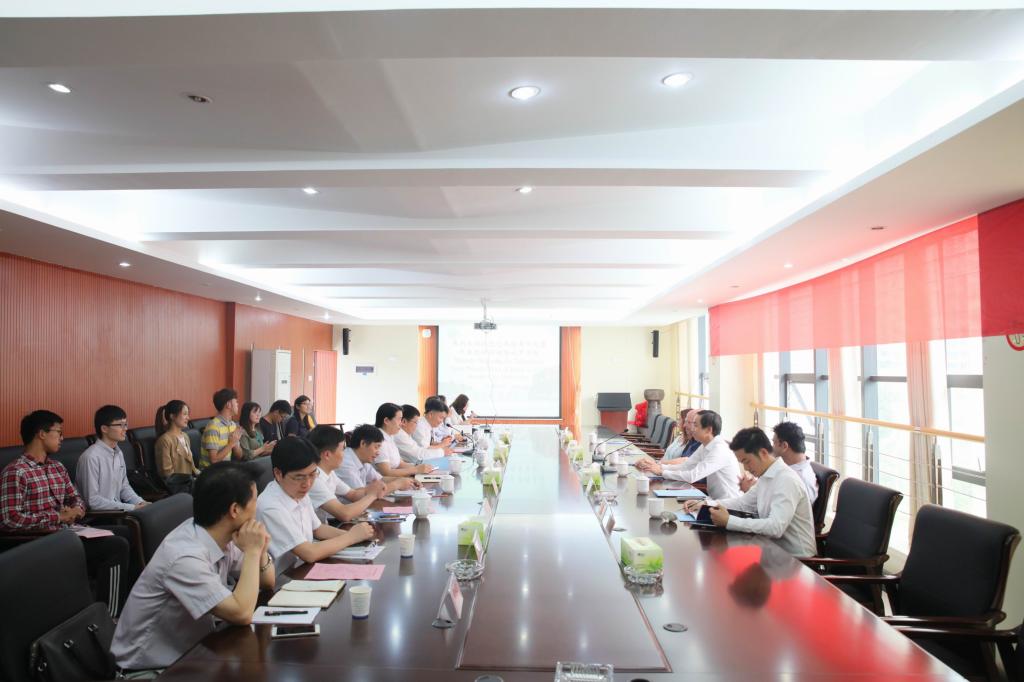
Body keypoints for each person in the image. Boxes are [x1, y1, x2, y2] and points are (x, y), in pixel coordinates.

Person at [110, 462, 275, 674]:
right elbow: (242, 613)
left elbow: (267, 582)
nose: (257, 507)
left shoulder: (220, 533)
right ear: (235, 510)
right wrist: (253, 551)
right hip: (150, 671)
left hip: (195, 653)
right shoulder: (185, 556)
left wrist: (260, 550)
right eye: (255, 500)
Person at [0, 410, 131, 616]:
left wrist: (77, 510)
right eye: (58, 432)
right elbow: (9, 520)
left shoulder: (57, 467)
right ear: (41, 434)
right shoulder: (16, 472)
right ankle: (110, 614)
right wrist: (57, 517)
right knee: (116, 546)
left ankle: (127, 602)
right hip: (41, 541)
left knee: (128, 533)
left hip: (69, 532)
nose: (62, 438)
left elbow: (75, 498)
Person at [683, 427, 816, 557]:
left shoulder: (787, 479)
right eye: (742, 463)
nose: (746, 468)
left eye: (747, 461)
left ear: (763, 453)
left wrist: (729, 521)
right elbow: (742, 503)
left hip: (796, 559)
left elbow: (775, 528)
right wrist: (706, 504)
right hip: (771, 551)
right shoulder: (766, 475)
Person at [256, 437, 376, 573]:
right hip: (282, 578)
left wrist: (358, 537)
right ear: (278, 473)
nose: (307, 483)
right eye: (299, 477)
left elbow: (317, 529)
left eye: (313, 474)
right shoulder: (270, 506)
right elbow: (309, 553)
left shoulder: (296, 491)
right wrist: (351, 537)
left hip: (301, 568)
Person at [636, 410, 741, 500]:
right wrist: (658, 467)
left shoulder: (719, 450)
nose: (692, 428)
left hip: (729, 507)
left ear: (709, 430)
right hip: (713, 501)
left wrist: (661, 472)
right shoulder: (705, 444)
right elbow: (686, 466)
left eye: (696, 425)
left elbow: (692, 476)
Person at [307, 425, 390, 524]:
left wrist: (372, 489)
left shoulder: (329, 473)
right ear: (327, 455)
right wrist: (372, 495)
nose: (344, 453)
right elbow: (344, 514)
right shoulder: (314, 479)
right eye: (342, 449)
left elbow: (353, 494)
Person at [77, 405, 147, 511]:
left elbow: (124, 487)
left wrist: (141, 502)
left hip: (117, 511)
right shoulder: (91, 457)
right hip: (100, 516)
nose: (125, 429)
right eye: (121, 425)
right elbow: (93, 501)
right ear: (104, 429)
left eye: (126, 424)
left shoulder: (118, 453)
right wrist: (132, 508)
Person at [339, 424, 417, 492]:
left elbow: (380, 479)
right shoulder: (346, 463)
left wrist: (408, 481)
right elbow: (360, 495)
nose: (378, 452)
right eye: (376, 447)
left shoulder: (363, 460)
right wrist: (396, 485)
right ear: (363, 443)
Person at [373, 403, 433, 478]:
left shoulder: (390, 436)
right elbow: (386, 472)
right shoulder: (379, 440)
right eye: (399, 419)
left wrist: (420, 467)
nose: (401, 423)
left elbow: (399, 463)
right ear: (386, 421)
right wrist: (416, 470)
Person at [155, 400, 199, 493]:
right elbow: (167, 473)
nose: (188, 417)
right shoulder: (164, 440)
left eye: (188, 414)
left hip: (190, 484)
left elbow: (193, 467)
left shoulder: (185, 436)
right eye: (185, 414)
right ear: (172, 416)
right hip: (178, 488)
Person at [200, 388, 242, 469]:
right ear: (228, 404)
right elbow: (214, 461)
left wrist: (235, 443)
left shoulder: (233, 425)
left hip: (224, 470)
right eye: (236, 401)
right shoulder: (213, 427)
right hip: (209, 473)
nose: (238, 404)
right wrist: (231, 444)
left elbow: (239, 456)